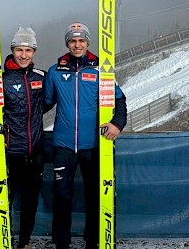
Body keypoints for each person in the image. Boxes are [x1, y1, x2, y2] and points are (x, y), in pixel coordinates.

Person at [44, 22, 127, 249]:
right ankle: (62, 244)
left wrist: (117, 125)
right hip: (63, 145)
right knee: (62, 198)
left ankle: (94, 241)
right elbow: (42, 104)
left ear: (87, 42)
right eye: (73, 41)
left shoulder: (100, 69)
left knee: (95, 197)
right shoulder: (55, 71)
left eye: (81, 40)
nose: (77, 45)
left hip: (94, 145)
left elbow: (120, 100)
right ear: (67, 43)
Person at [0, 27, 46, 249]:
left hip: (35, 152)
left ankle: (24, 243)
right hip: (10, 153)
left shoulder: (41, 77)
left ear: (34, 52)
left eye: (28, 50)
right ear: (12, 50)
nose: (24, 55)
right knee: (5, 201)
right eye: (19, 49)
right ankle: (4, 241)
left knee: (30, 204)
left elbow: (46, 104)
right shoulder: (0, 79)